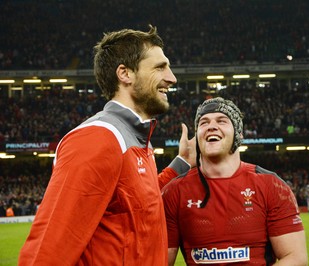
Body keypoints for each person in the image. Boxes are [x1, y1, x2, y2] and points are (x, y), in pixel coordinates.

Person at [19, 25, 194, 265]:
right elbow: (48, 249)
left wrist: (182, 163)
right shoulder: (98, 138)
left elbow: (136, 204)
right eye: (160, 67)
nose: (172, 78)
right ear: (125, 74)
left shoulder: (135, 138)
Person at [162, 97, 308, 265]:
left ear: (239, 134)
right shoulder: (174, 191)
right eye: (203, 123)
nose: (211, 126)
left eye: (222, 121)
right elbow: (161, 260)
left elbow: (295, 258)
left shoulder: (272, 186)